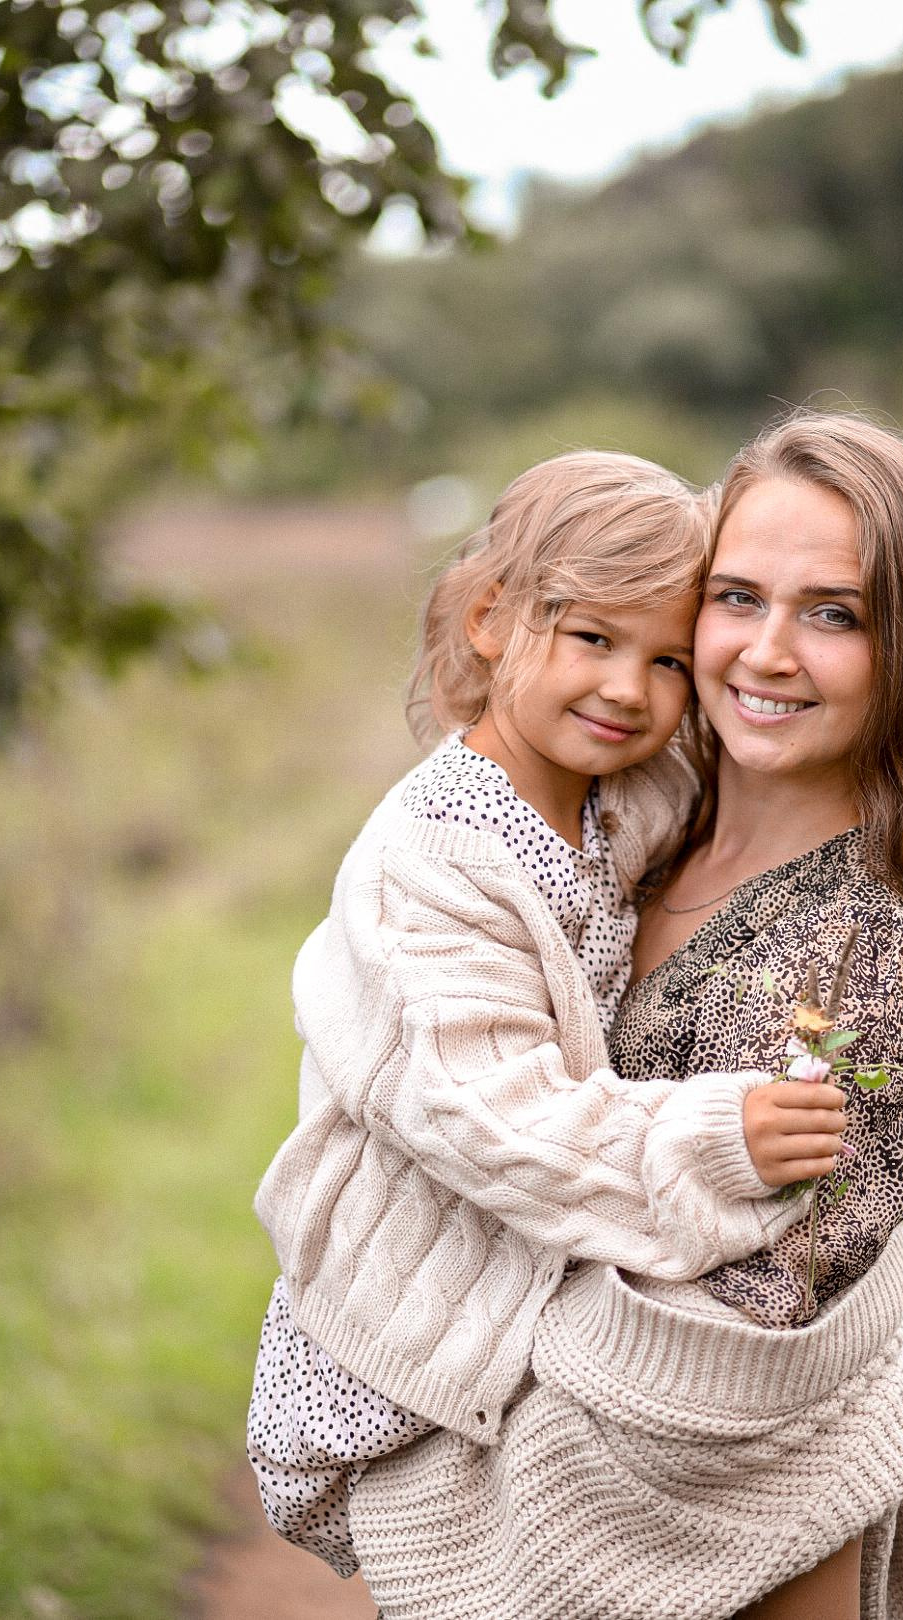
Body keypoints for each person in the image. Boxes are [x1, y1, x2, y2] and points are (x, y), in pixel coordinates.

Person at [347, 412, 903, 1620]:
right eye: (736, 598)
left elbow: (748, 1333)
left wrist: (465, 1363)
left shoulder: (864, 952)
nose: (766, 651)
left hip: (735, 1559)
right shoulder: (634, 831)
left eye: (834, 614)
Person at [246, 450, 844, 1578]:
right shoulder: (431, 861)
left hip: (537, 1280)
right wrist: (711, 1141)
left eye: (669, 659)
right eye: (593, 640)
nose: (631, 689)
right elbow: (496, 1119)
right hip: (405, 1351)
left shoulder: (628, 797)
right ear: (489, 617)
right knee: (482, 1574)